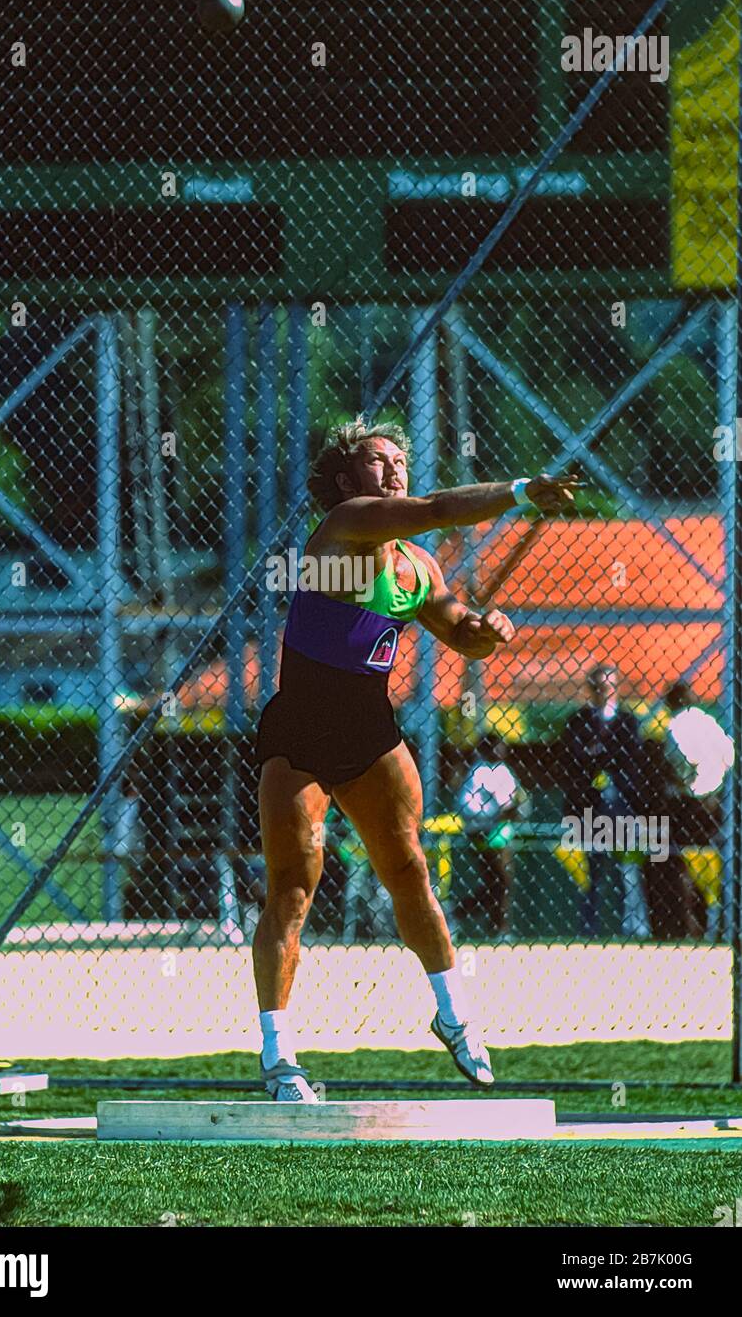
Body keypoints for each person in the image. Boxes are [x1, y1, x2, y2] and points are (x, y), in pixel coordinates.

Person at [252, 414, 578, 1100]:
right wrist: (520, 490)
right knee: (291, 886)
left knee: (408, 868)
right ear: (346, 478)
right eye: (377, 461)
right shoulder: (344, 527)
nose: (393, 469)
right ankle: (279, 1060)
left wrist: (489, 632)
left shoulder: (416, 566)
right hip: (302, 729)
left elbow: (461, 634)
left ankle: (454, 1014)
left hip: (370, 730)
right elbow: (435, 510)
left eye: (398, 459)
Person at [559, 664, 650, 939]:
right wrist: (601, 757)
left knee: (628, 871)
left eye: (608, 687)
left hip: (623, 804)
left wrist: (599, 755)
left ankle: (634, 928)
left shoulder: (627, 721)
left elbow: (630, 757)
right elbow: (575, 758)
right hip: (590, 806)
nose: (603, 692)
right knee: (592, 873)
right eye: (597, 687)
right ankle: (589, 929)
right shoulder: (578, 721)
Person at [642, 681, 734, 940]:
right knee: (713, 863)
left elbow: (681, 762)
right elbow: (729, 755)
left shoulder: (676, 726)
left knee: (683, 865)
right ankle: (715, 925)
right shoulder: (706, 720)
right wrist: (712, 773)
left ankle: (690, 927)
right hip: (713, 801)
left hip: (687, 803)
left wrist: (686, 779)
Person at [450, 732, 526, 941]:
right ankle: (492, 926)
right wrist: (513, 809)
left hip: (497, 831)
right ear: (486, 750)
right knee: (501, 881)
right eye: (495, 746)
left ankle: (492, 925)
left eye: (502, 746)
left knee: (498, 883)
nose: (500, 750)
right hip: (485, 832)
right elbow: (507, 805)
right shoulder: (484, 771)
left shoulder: (497, 770)